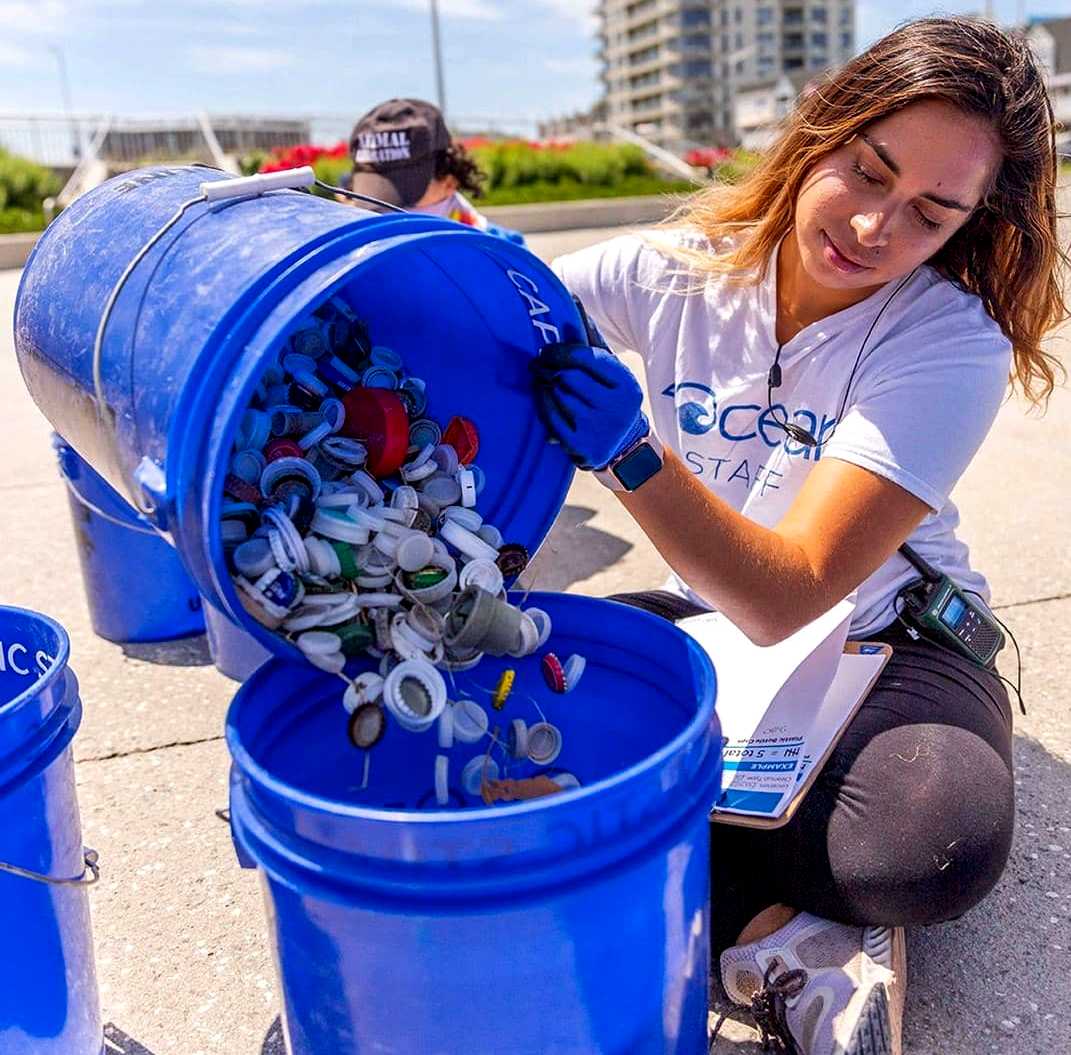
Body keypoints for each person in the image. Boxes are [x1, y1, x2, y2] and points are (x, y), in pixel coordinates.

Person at [535, 16, 1066, 1055]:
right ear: (821, 130)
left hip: (890, 641)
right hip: (716, 621)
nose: (875, 227)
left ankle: (685, 880)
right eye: (868, 172)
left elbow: (791, 589)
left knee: (926, 843)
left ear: (967, 224)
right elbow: (490, 314)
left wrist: (629, 453)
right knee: (520, 695)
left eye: (930, 213)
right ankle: (781, 937)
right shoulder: (673, 270)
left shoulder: (949, 339)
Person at [344, 97, 495, 230]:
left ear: (449, 183)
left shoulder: (504, 253)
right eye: (372, 195)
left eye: (404, 197)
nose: (385, 212)